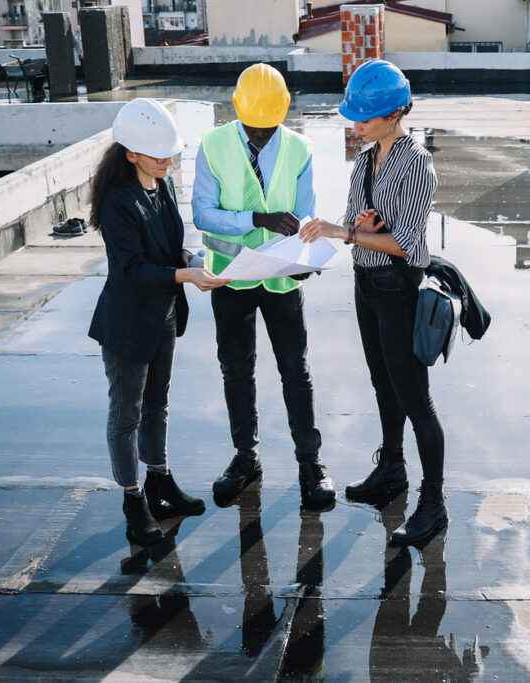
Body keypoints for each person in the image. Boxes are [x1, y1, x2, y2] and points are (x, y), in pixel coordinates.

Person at [299, 60, 447, 546]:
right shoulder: (365, 160)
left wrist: (352, 231)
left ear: (394, 113)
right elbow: (353, 226)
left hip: (400, 291)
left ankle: (433, 504)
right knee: (383, 385)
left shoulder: (416, 161)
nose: (356, 125)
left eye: (365, 117)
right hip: (367, 287)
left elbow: (410, 244)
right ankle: (392, 469)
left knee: (415, 399)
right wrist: (361, 223)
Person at [192, 63, 335, 510]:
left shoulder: (300, 149)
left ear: (283, 115)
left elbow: (307, 215)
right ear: (237, 112)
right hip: (229, 277)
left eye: (267, 128)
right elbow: (201, 214)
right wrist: (256, 219)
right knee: (236, 369)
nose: (259, 135)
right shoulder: (211, 146)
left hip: (279, 279)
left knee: (296, 370)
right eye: (252, 127)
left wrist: (304, 255)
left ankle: (310, 463)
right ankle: (245, 458)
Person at [88, 98, 230, 547]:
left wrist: (192, 260)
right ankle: (134, 502)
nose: (168, 161)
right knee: (126, 415)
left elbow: (170, 249)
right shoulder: (117, 201)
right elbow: (130, 270)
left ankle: (160, 482)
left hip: (164, 316)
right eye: (157, 154)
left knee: (158, 405)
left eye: (171, 153)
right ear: (131, 153)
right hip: (128, 323)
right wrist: (185, 274)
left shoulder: (162, 184)